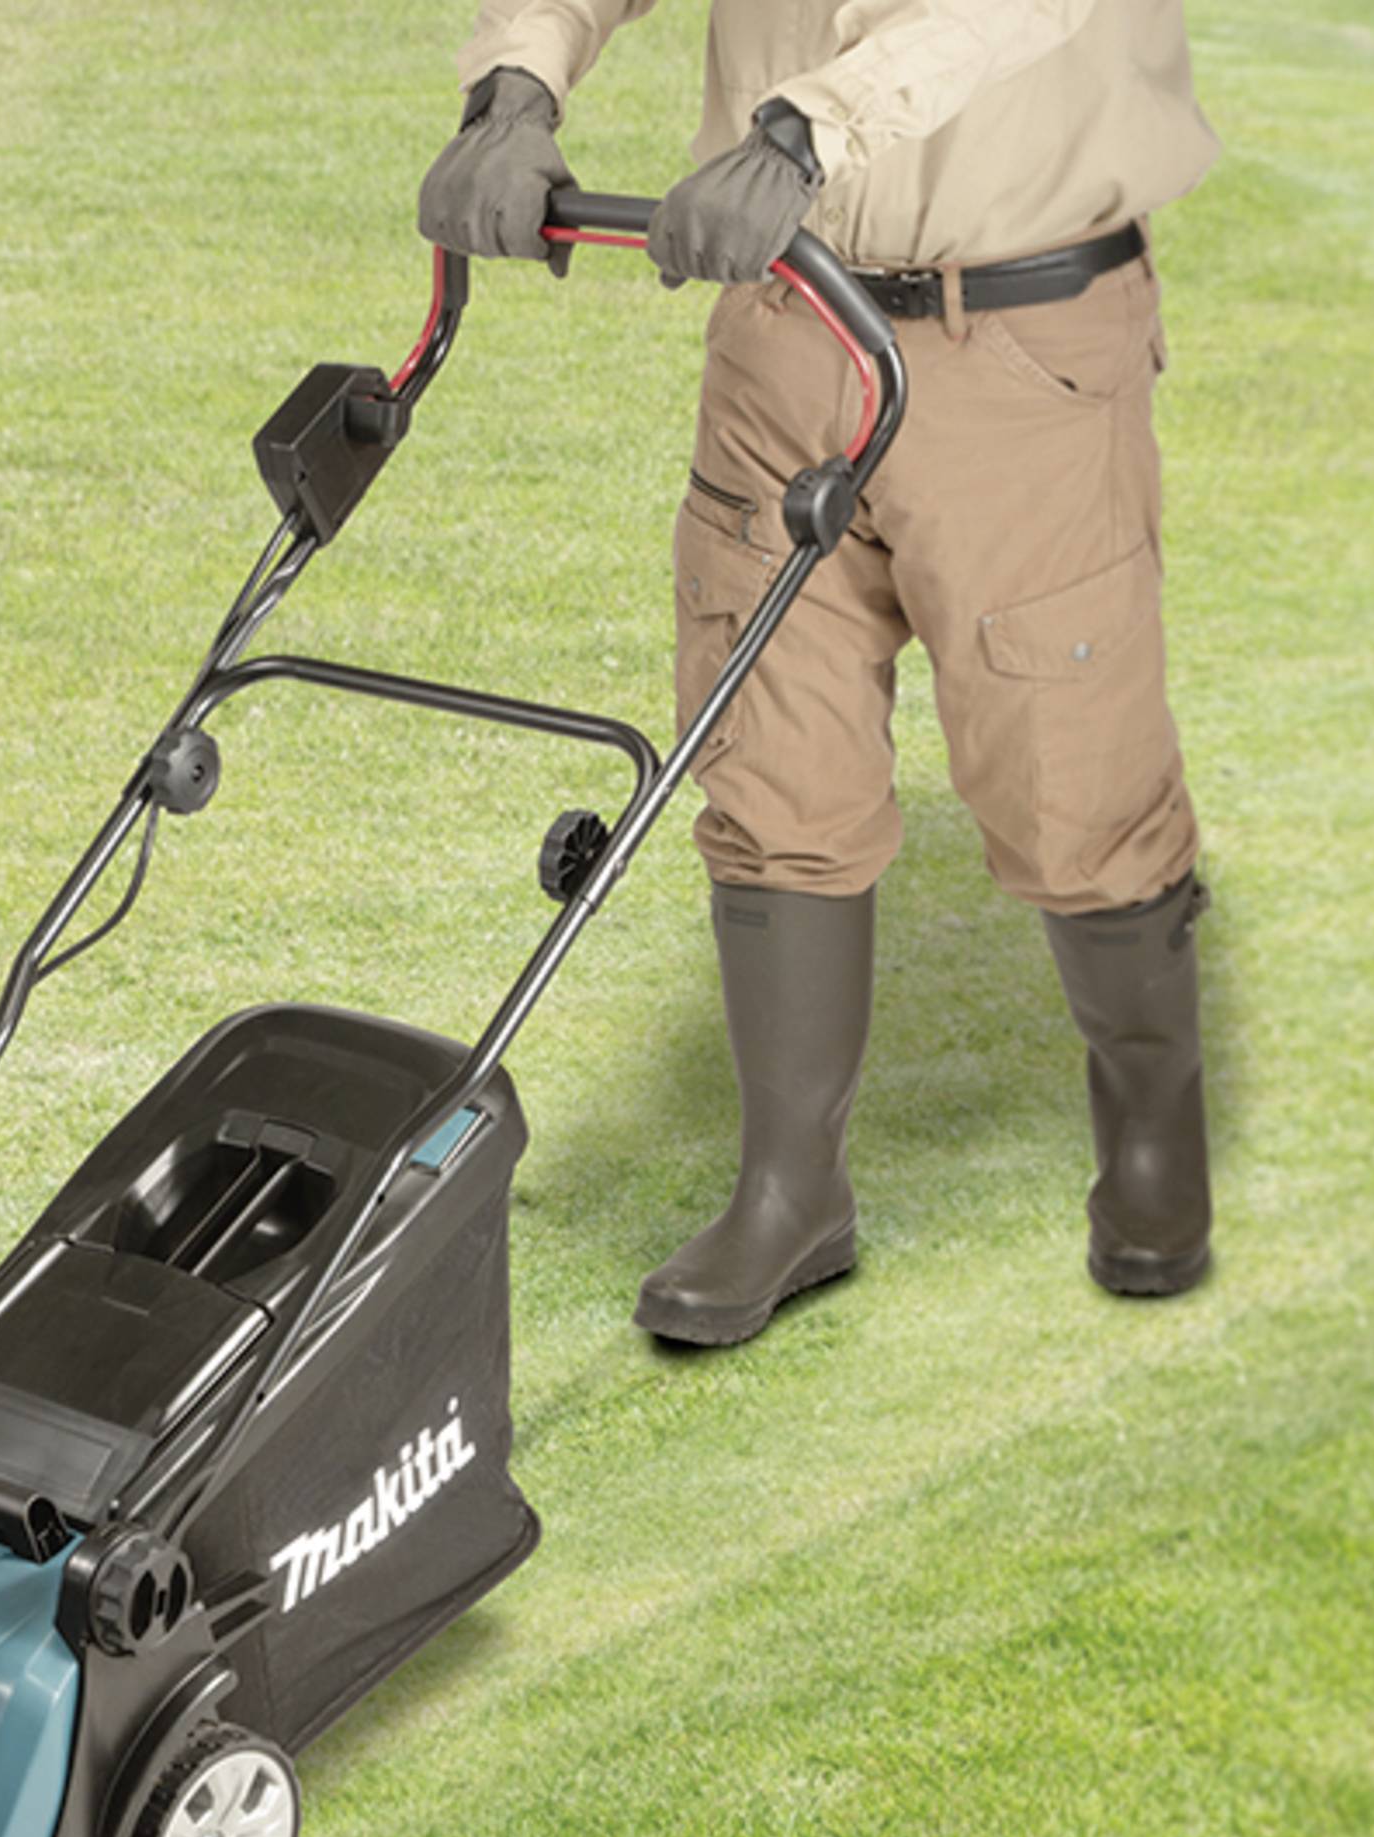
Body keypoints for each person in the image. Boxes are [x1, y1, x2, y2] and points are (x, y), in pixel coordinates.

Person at [419, 3, 1221, 1344]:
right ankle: (790, 1193)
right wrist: (515, 83)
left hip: (1019, 336)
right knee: (768, 765)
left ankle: (1152, 1135)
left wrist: (801, 131)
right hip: (788, 328)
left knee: (1073, 779)